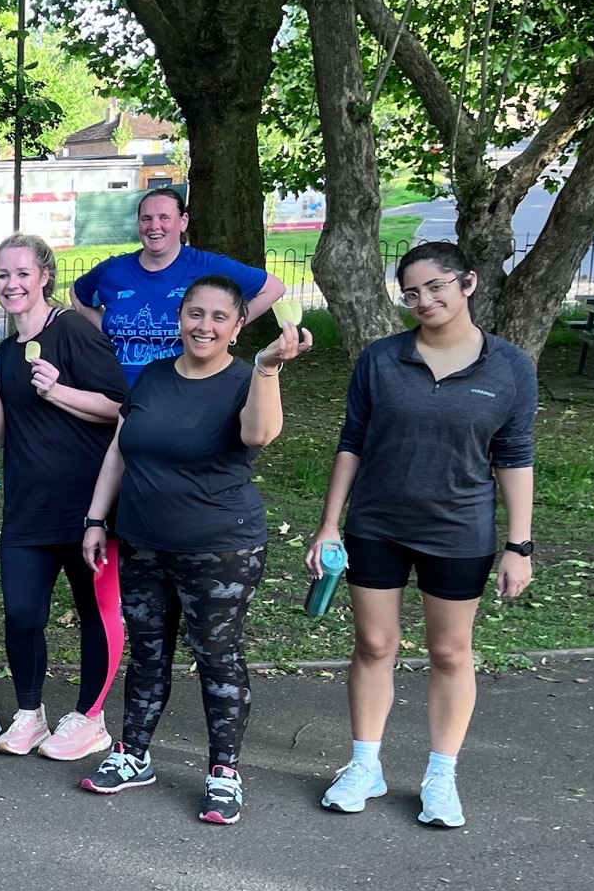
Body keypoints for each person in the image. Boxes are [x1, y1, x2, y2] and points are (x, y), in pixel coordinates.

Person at [305, 241, 537, 829]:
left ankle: (441, 776)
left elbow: (514, 456)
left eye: (436, 286)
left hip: (460, 530)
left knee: (450, 652)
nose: (424, 300)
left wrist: (520, 545)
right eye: (411, 292)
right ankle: (365, 766)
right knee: (373, 645)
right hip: (377, 525)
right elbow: (352, 442)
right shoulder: (381, 360)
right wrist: (329, 525)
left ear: (468, 283)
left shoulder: (510, 367)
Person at [78, 276, 312, 824]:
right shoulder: (154, 376)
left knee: (217, 656)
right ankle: (134, 754)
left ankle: (224, 772)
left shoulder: (246, 378)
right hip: (142, 542)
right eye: (195, 313)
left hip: (220, 550)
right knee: (147, 652)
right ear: (180, 317)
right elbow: (120, 450)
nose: (204, 326)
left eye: (219, 317)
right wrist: (95, 519)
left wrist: (268, 368)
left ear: (238, 326)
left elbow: (259, 435)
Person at [0, 234, 128, 761]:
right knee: (22, 614)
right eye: (3, 275)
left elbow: (120, 408)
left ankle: (90, 718)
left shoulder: (74, 330)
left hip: (87, 507)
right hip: (28, 505)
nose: (11, 284)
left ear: (45, 277)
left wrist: (57, 390)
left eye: (22, 273)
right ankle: (29, 713)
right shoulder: (7, 351)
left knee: (93, 612)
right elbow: (0, 436)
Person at [72, 187, 288, 384]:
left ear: (183, 221)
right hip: (117, 390)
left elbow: (273, 288)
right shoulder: (113, 271)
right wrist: (104, 332)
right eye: (146, 219)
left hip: (184, 390)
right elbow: (79, 294)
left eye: (164, 217)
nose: (154, 226)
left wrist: (229, 328)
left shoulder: (208, 266)